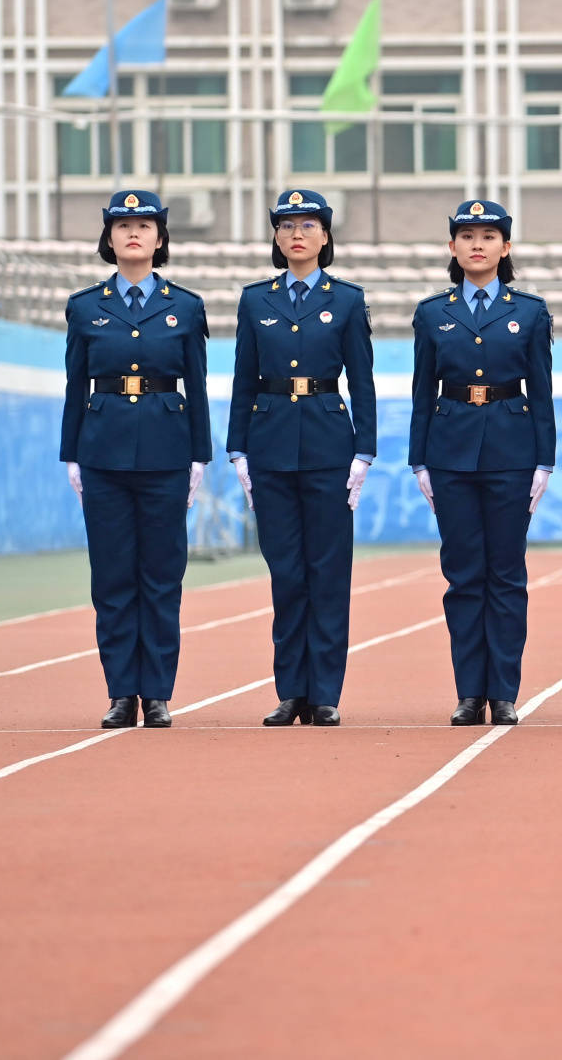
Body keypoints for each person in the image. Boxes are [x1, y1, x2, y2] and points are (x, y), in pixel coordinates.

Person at [60, 190, 211, 729]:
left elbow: (197, 383)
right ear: (108, 239)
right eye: (122, 225)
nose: (133, 233)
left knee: (162, 576)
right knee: (113, 579)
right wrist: (70, 455)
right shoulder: (85, 307)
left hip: (167, 454)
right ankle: (122, 692)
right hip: (102, 454)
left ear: (160, 239)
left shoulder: (186, 307)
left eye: (144, 226)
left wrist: (200, 456)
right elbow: (75, 384)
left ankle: (159, 692)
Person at [226, 189, 377, 727]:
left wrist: (364, 450)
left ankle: (325, 693)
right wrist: (237, 449)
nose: (297, 234)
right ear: (275, 236)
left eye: (308, 225)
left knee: (328, 573)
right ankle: (292, 690)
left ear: (325, 236)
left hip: (329, 445)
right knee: (286, 572)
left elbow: (362, 380)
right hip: (269, 445)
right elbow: (244, 378)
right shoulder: (255, 300)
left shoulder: (347, 300)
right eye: (287, 225)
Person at [409, 201, 556, 728]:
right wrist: (418, 460)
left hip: (512, 452)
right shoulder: (432, 312)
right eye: (466, 235)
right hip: (449, 451)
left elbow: (541, 391)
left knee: (507, 575)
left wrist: (545, 460)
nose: (477, 244)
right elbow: (421, 390)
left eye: (488, 236)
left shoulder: (531, 312)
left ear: (506, 248)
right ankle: (471, 691)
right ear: (452, 247)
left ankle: (505, 690)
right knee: (464, 575)